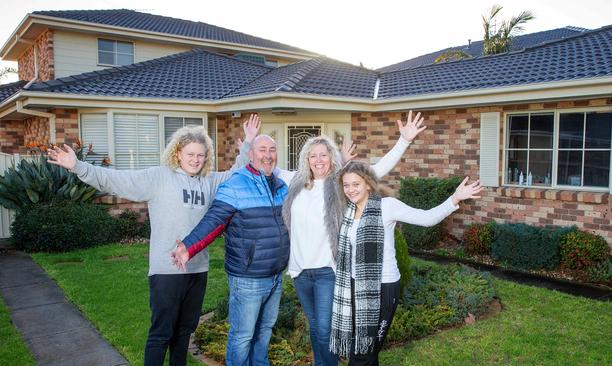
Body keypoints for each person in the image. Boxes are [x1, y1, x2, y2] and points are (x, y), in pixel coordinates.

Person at [46, 115, 260, 366]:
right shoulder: (158, 177)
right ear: (178, 153)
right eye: (190, 154)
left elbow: (236, 174)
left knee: (183, 334)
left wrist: (249, 142)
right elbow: (116, 180)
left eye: (201, 155)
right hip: (166, 271)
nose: (195, 159)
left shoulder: (209, 183)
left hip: (197, 269)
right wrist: (78, 166)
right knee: (161, 334)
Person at [279, 111, 426, 366]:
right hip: (300, 270)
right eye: (312, 155)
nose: (318, 160)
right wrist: (249, 144)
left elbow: (376, 170)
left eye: (323, 154)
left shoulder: (339, 183)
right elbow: (264, 163)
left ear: (331, 157)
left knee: (326, 331)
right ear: (306, 159)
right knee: (315, 328)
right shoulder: (295, 182)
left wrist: (404, 141)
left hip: (328, 269)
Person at [329, 161, 484, 365]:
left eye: (356, 184)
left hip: (384, 287)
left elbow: (426, 218)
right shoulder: (347, 213)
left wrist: (454, 198)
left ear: (368, 184)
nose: (350, 190)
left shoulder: (387, 206)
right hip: (354, 286)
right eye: (346, 185)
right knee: (366, 351)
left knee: (362, 352)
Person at [172, 134, 289, 366]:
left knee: (264, 331)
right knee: (243, 335)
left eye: (272, 150)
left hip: (276, 274)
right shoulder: (235, 185)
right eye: (262, 149)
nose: (267, 155)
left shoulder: (281, 187)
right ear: (251, 154)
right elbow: (213, 221)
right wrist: (188, 247)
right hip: (248, 277)